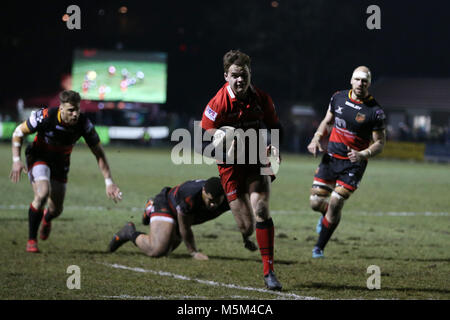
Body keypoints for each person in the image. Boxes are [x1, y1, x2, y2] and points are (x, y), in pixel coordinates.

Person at [199, 50, 283, 290]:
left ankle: (269, 272)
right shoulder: (217, 104)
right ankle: (244, 226)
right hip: (230, 168)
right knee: (247, 226)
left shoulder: (262, 99)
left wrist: (275, 147)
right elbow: (202, 136)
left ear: (250, 74)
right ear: (226, 76)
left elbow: (276, 125)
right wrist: (221, 139)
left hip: (256, 160)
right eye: (235, 75)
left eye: (244, 75)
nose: (240, 80)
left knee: (262, 210)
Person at [9, 90, 122, 253]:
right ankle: (31, 240)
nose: (75, 114)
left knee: (57, 209)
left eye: (77, 109)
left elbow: (99, 153)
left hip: (61, 163)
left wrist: (109, 182)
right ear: (61, 108)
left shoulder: (84, 124)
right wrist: (16, 160)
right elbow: (19, 132)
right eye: (71, 110)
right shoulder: (45, 116)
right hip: (38, 156)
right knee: (42, 193)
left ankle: (47, 218)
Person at [307, 66, 386, 258]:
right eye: (357, 79)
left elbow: (380, 143)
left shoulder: (375, 111)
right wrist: (316, 137)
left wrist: (363, 154)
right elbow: (327, 120)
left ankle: (319, 247)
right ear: (351, 80)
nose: (361, 83)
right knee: (315, 202)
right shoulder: (338, 97)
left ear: (369, 83)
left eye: (365, 80)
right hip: (331, 158)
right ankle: (326, 218)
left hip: (353, 164)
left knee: (335, 201)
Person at [108, 177, 230, 260]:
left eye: (216, 201)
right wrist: (193, 252)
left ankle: (152, 212)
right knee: (156, 250)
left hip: (180, 215)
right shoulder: (190, 194)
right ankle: (129, 231)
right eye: (210, 200)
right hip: (167, 204)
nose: (213, 204)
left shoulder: (230, 197)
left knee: (166, 251)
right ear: (203, 191)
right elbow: (185, 227)